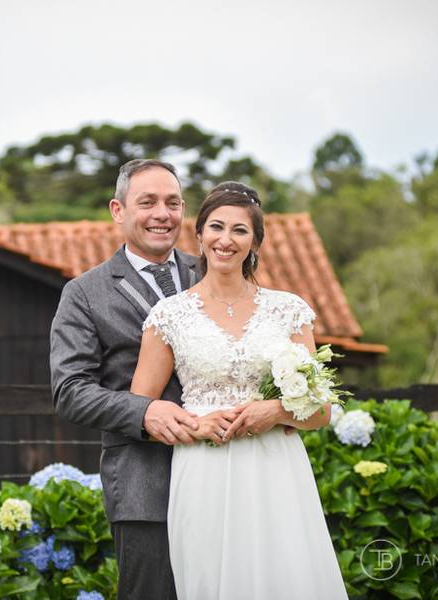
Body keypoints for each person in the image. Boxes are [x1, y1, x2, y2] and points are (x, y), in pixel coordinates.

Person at [131, 181, 349, 599]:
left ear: (255, 242)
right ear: (199, 235)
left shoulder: (289, 310)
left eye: (239, 231)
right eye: (216, 227)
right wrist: (196, 426)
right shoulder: (169, 316)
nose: (225, 240)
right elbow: (142, 408)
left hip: (276, 468)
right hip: (203, 470)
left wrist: (277, 412)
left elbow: (321, 411)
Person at [50, 159, 209, 599]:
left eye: (173, 203)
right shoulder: (83, 294)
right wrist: (145, 411)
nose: (163, 214)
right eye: (148, 202)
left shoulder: (216, 273)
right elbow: (70, 391)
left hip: (225, 472)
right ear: (118, 210)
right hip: (144, 485)